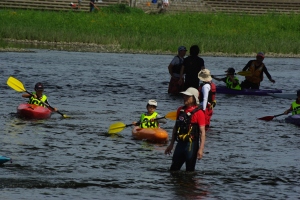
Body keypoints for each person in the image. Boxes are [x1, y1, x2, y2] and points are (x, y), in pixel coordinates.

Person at [165, 87, 206, 171]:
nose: (184, 97)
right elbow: (175, 127)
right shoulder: (180, 110)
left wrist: (201, 149)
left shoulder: (199, 113)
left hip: (191, 145)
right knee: (173, 171)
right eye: (184, 96)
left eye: (187, 96)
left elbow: (202, 132)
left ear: (194, 98)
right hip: (180, 144)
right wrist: (171, 144)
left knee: (189, 172)